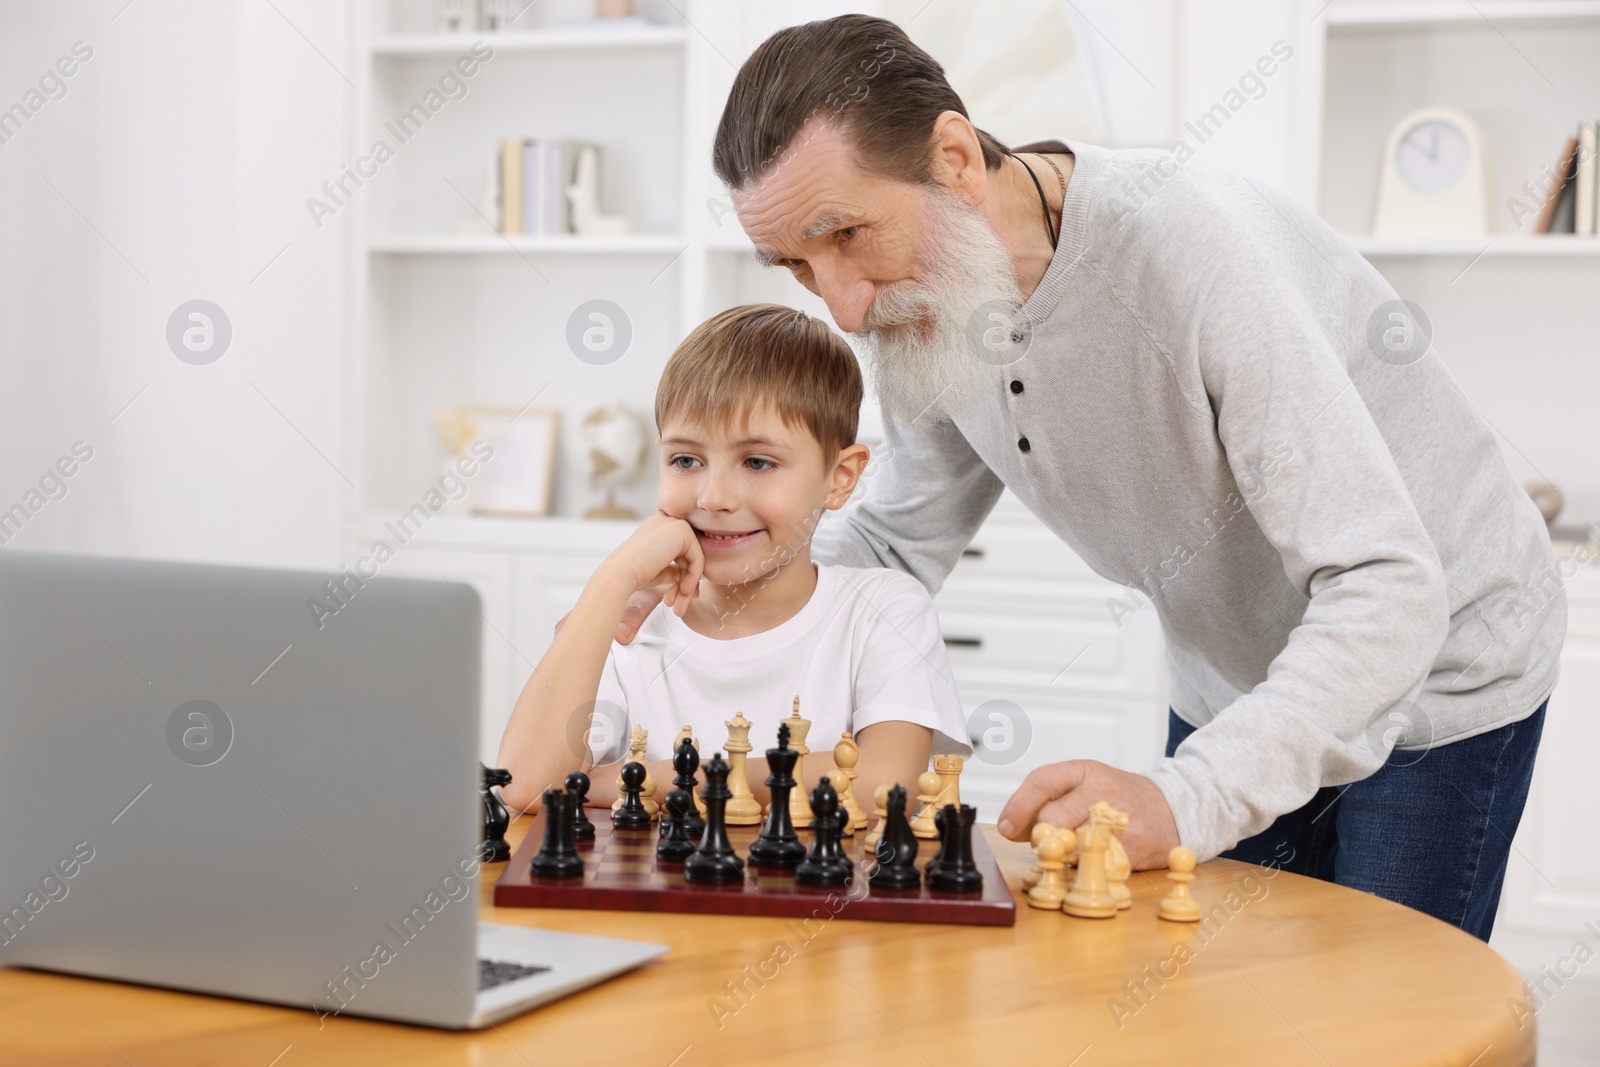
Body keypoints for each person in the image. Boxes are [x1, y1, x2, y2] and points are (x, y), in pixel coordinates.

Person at [611, 15, 1564, 941]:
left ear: (952, 159)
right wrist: (718, 562)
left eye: (849, 235)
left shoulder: (1196, 260)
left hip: (1439, 664)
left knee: (1383, 1030)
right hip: (1239, 676)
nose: (846, 309)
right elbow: (897, 540)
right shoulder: (930, 299)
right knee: (1234, 1009)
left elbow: (1387, 589)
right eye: (799, 266)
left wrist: (1188, 794)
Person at [497, 303, 971, 816]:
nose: (713, 498)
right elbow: (526, 788)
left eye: (758, 462)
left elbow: (881, 782)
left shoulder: (883, 609)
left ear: (840, 478)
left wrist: (625, 781)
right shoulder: (627, 625)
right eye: (685, 460)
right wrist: (614, 578)